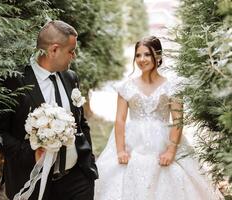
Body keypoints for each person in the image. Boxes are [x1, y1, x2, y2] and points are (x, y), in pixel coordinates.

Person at [94, 36, 223, 200]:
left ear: (158, 56)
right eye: (138, 55)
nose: (142, 59)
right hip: (134, 142)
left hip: (163, 141)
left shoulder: (172, 86)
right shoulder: (126, 87)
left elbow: (178, 120)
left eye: (147, 54)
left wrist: (171, 151)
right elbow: (120, 120)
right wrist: (121, 150)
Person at [0, 20, 98, 200]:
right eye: (71, 51)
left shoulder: (71, 77)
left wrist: (88, 163)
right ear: (53, 50)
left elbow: (81, 123)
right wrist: (30, 153)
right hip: (32, 182)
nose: (74, 56)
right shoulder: (13, 82)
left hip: (77, 181)